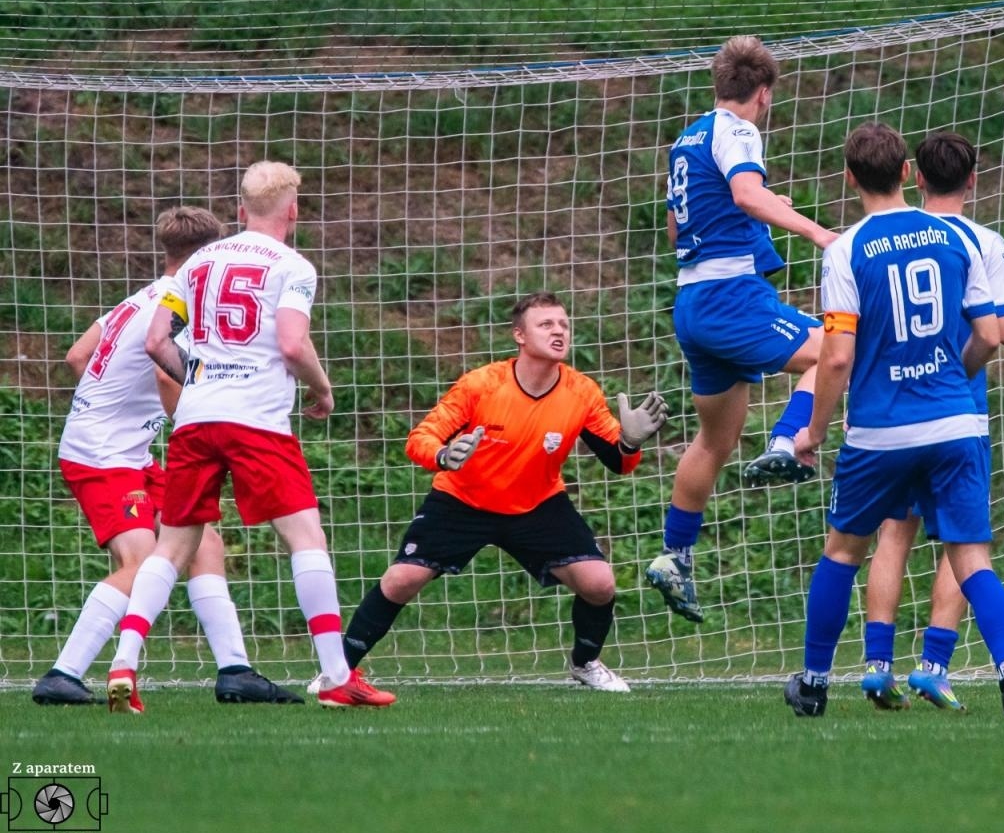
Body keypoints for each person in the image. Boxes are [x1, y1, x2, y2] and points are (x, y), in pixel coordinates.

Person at [108, 160, 395, 712]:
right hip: (257, 421)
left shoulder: (196, 264)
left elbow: (155, 342)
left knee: (171, 546)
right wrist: (323, 390)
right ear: (293, 209)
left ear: (240, 210)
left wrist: (197, 375)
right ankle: (337, 675)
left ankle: (124, 664)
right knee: (306, 538)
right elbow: (291, 345)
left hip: (195, 418)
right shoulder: (293, 266)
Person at [787, 122, 1004, 718]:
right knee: (971, 557)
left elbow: (838, 354)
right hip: (955, 423)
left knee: (845, 551)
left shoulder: (847, 248)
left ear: (850, 178)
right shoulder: (962, 239)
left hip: (880, 432)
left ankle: (816, 684)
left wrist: (814, 430)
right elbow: (989, 336)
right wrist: (955, 370)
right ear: (906, 172)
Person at [32, 206, 299, 706]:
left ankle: (235, 671)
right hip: (105, 456)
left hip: (119, 449)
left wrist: (113, 409)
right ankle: (61, 674)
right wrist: (195, 420)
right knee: (143, 562)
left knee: (204, 546)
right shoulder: (183, 303)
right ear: (208, 253)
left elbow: (77, 355)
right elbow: (161, 373)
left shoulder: (140, 298)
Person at [338, 291, 669, 691]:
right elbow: (419, 438)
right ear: (520, 336)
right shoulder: (481, 385)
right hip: (463, 499)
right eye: (546, 324)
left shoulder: (582, 393)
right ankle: (338, 671)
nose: (559, 330)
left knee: (600, 585)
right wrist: (443, 455)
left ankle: (585, 663)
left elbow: (619, 462)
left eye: (563, 324)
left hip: (537, 503)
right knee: (400, 581)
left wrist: (631, 443)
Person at [649, 34, 839, 624]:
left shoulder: (688, 139)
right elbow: (747, 194)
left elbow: (678, 231)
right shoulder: (738, 130)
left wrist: (747, 208)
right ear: (763, 93)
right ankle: (788, 443)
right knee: (834, 346)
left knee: (713, 441)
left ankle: (673, 556)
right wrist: (819, 234)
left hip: (691, 303)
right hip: (731, 296)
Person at [857, 132, 1004, 712]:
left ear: (916, 177)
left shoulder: (891, 235)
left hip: (890, 408)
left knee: (892, 535)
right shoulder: (980, 240)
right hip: (957, 410)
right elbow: (1002, 328)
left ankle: (877, 664)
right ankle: (934, 663)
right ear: (973, 180)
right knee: (963, 545)